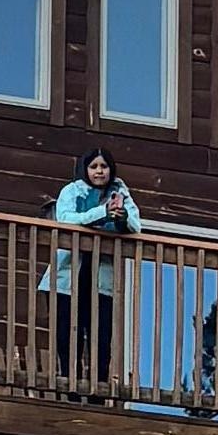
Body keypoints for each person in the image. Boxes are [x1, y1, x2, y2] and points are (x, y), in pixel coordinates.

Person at [46, 139, 140, 385]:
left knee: (101, 336)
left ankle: (98, 388)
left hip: (101, 279)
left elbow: (136, 225)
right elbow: (65, 219)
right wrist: (102, 213)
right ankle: (70, 385)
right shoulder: (72, 191)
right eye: (94, 166)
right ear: (85, 169)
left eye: (104, 166)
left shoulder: (119, 192)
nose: (99, 171)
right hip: (67, 276)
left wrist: (121, 217)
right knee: (68, 335)